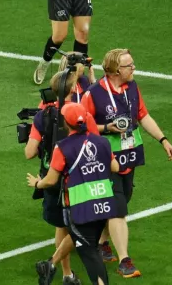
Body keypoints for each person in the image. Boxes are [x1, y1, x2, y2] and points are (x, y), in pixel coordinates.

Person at [80, 48, 172, 278]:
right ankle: (125, 261)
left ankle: (102, 243)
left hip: (129, 155)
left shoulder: (132, 87)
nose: (133, 68)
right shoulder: (93, 94)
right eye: (129, 65)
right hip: (105, 159)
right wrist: (106, 128)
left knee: (124, 198)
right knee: (117, 208)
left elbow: (143, 116)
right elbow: (82, 125)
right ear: (115, 70)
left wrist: (163, 139)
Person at [28, 102, 119, 285]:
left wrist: (37, 183)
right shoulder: (102, 142)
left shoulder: (63, 147)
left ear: (65, 123)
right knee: (89, 246)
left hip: (80, 209)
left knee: (90, 253)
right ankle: (50, 264)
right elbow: (115, 167)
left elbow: (51, 180)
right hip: (103, 205)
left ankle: (51, 266)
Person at [25, 71, 98, 285]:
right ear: (73, 89)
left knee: (61, 225)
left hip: (52, 178)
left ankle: (66, 274)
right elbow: (95, 143)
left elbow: (29, 152)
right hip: (79, 178)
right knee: (86, 226)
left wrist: (44, 145)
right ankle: (54, 265)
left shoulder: (42, 115)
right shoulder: (80, 113)